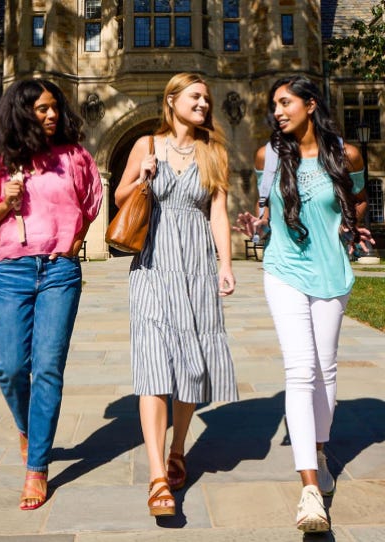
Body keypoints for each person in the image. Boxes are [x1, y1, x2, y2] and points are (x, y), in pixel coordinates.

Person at [0, 78, 103, 510]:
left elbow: (91, 202)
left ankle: (36, 468)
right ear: (21, 112)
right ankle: (28, 428)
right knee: (9, 366)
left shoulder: (75, 156)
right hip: (13, 270)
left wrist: (74, 242)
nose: (51, 115)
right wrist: (7, 202)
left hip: (60, 270)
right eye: (41, 109)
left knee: (47, 367)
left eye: (54, 108)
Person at [246, 75, 371, 533]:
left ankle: (318, 447)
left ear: (310, 104)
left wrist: (350, 227)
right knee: (300, 371)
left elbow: (357, 201)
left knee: (326, 368)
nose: (277, 111)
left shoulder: (347, 154)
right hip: (284, 271)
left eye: (285, 102)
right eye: (274, 105)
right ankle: (310, 489)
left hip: (332, 272)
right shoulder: (268, 155)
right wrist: (256, 227)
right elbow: (264, 213)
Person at [114, 72, 238, 518]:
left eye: (207, 98)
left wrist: (225, 265)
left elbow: (218, 213)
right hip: (151, 266)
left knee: (191, 362)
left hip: (198, 268)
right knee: (152, 364)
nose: (204, 103)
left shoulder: (214, 152)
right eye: (195, 96)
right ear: (172, 100)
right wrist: (141, 177)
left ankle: (179, 449)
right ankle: (156, 477)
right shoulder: (146, 145)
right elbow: (120, 195)